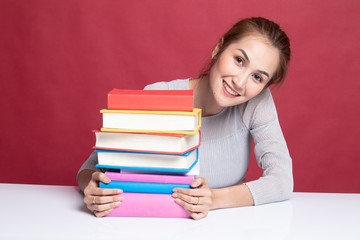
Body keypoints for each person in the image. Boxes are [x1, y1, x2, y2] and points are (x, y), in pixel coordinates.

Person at [77, 16, 293, 220]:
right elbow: (92, 168)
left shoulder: (256, 103)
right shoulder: (158, 96)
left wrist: (214, 199)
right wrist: (93, 190)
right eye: (238, 60)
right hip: (154, 224)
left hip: (226, 227)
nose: (240, 82)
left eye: (257, 77)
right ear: (219, 47)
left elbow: (282, 180)